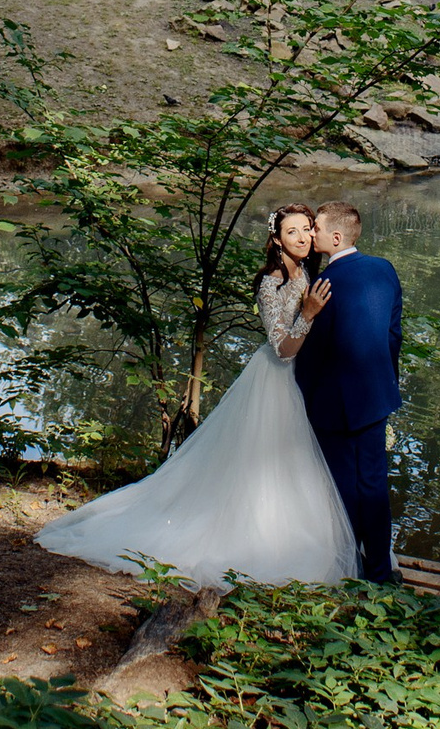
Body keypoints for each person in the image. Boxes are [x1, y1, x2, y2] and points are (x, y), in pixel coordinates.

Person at [35, 205, 358, 585]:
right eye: (292, 232)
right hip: (274, 380)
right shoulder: (270, 282)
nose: (303, 238)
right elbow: (283, 349)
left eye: (306, 229)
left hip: (300, 381)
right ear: (276, 240)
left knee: (292, 465)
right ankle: (255, 541)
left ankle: (292, 536)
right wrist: (308, 313)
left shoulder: (305, 271)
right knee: (261, 467)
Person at [294, 201, 402, 583]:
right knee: (373, 484)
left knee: (340, 487)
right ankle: (379, 570)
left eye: (316, 229)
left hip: (334, 402)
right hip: (376, 396)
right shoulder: (384, 270)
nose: (311, 234)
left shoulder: (325, 284)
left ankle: (347, 566)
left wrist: (301, 394)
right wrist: (384, 380)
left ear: (335, 238)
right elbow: (393, 335)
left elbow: (314, 352)